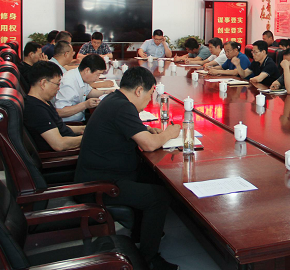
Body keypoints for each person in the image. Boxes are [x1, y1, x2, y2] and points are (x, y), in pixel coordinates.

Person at [75, 66, 180, 270]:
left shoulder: (115, 100)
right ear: (139, 90)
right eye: (149, 96)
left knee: (152, 176)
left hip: (103, 173)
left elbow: (130, 130)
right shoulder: (123, 107)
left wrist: (146, 129)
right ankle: (148, 259)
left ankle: (142, 233)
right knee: (158, 197)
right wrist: (169, 133)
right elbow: (149, 145)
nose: (148, 101)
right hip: (99, 184)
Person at [24, 61, 84, 152]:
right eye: (57, 84)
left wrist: (85, 128)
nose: (59, 88)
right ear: (43, 83)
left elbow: (60, 127)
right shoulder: (36, 110)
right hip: (66, 154)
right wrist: (88, 137)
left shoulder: (43, 101)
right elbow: (59, 144)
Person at [55, 54, 108, 122]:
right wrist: (85, 105)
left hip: (81, 116)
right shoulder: (68, 83)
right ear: (87, 70)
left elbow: (89, 92)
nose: (98, 78)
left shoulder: (82, 76)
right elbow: (60, 112)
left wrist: (105, 92)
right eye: (97, 74)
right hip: (71, 122)